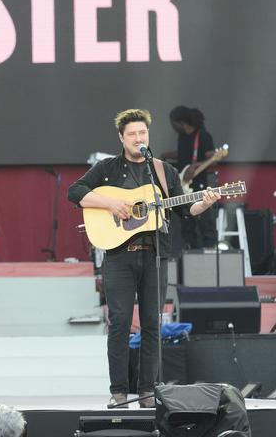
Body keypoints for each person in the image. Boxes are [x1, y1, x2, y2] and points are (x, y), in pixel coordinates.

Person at [67, 109, 220, 408]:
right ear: (122, 138)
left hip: (155, 256)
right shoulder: (107, 168)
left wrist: (204, 202)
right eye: (133, 134)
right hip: (119, 257)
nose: (139, 138)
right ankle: (119, 390)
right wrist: (111, 203)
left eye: (143, 133)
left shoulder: (162, 171)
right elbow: (76, 192)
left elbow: (184, 211)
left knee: (152, 323)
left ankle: (148, 391)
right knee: (121, 322)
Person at [167, 106, 217, 249]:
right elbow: (183, 154)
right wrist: (166, 155)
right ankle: (191, 253)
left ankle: (209, 253)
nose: (173, 127)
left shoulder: (203, 136)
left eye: (173, 124)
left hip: (199, 185)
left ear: (181, 122)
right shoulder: (183, 137)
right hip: (184, 186)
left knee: (205, 223)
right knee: (187, 224)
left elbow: (213, 158)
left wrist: (195, 166)